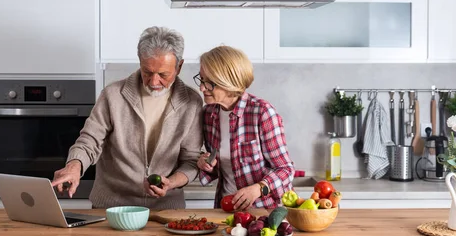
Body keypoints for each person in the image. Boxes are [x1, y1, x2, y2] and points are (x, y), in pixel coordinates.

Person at [52, 26, 203, 209]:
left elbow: (191, 160)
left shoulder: (192, 102)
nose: (154, 82)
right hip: (112, 208)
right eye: (147, 72)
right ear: (140, 62)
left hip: (166, 211)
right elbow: (89, 140)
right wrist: (74, 166)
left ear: (179, 66)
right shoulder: (113, 94)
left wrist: (170, 183)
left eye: (163, 74)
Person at [195, 46, 295, 211]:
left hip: (264, 211)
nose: (202, 88)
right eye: (202, 79)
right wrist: (205, 163)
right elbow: (223, 167)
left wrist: (258, 188)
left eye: (209, 83)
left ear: (228, 83)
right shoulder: (208, 114)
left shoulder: (261, 113)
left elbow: (285, 169)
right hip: (225, 208)